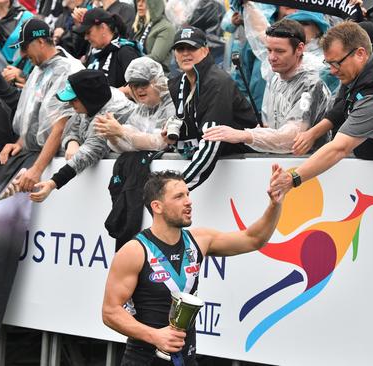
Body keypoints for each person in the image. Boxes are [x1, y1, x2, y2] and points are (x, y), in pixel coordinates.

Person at [102, 168, 284, 365]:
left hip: (185, 360)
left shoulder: (200, 240)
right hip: (144, 360)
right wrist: (154, 335)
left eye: (188, 194)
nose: (189, 201)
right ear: (157, 206)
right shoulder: (135, 251)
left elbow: (253, 239)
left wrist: (275, 204)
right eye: (179, 196)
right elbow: (110, 312)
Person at [272, 21, 373, 196]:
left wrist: (293, 178)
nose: (331, 71)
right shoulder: (370, 61)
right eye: (328, 63)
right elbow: (341, 105)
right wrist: (313, 133)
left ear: (360, 54)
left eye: (336, 63)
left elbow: (339, 148)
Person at [202, 18, 330, 154]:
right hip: (278, 160)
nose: (271, 57)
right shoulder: (276, 77)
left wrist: (245, 135)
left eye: (280, 51)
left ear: (299, 49)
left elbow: (294, 137)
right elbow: (273, 126)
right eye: (269, 50)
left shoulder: (310, 85)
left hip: (311, 166)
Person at [0, 18, 84, 192]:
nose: (22, 55)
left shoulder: (67, 69)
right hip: (37, 156)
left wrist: (37, 169)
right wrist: (21, 142)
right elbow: (34, 115)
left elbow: (62, 125)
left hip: (58, 161)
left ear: (40, 41)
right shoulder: (39, 68)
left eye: (24, 47)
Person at [168, 26, 258, 191]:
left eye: (192, 47)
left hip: (246, 169)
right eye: (180, 48)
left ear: (205, 50)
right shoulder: (176, 84)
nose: (185, 53)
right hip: (213, 166)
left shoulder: (217, 82)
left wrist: (178, 188)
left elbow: (212, 141)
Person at [29, 69, 135, 202]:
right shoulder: (94, 102)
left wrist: (52, 183)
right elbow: (73, 126)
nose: (69, 104)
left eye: (73, 100)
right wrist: (72, 142)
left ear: (89, 97)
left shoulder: (111, 115)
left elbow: (87, 153)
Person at [95, 57, 175, 153]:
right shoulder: (142, 108)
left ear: (157, 81)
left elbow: (161, 143)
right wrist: (113, 137)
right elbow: (129, 147)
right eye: (134, 85)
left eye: (143, 84)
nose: (139, 90)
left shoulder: (173, 104)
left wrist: (121, 132)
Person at [74, 8, 140, 88]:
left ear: (103, 27)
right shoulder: (93, 53)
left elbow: (139, 85)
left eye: (88, 32)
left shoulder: (125, 51)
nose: (85, 38)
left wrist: (108, 95)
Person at [132, 0, 175, 73]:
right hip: (138, 73)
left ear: (155, 3)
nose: (139, 5)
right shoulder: (140, 25)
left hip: (157, 78)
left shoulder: (166, 27)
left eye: (144, 1)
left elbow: (156, 57)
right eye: (138, 1)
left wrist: (130, 61)